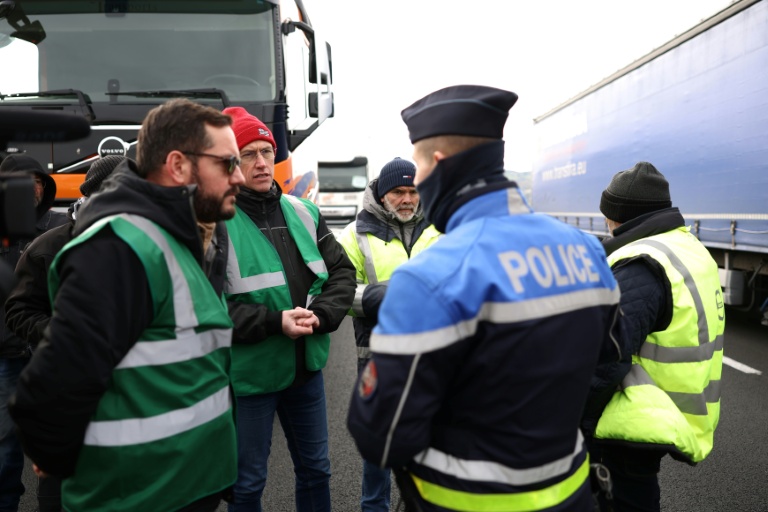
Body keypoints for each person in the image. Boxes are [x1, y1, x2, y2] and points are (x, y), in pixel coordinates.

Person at [346, 85, 621, 512]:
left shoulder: (429, 279)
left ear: (437, 165)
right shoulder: (585, 250)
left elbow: (380, 435)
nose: (414, 185)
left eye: (417, 167)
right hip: (572, 495)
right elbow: (608, 358)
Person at [9, 98, 246, 512]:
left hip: (187, 485)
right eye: (228, 163)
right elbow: (49, 390)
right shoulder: (120, 247)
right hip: (139, 495)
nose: (240, 176)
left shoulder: (181, 237)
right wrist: (72, 468)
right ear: (178, 165)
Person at [221, 106, 355, 512]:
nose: (262, 162)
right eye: (249, 154)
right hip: (250, 377)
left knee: (317, 471)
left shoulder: (304, 211)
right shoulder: (214, 223)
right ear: (231, 162)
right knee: (247, 484)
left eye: (267, 151)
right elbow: (205, 308)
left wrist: (323, 315)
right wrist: (274, 321)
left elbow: (341, 273)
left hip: (305, 370)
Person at [582, 162, 725, 512]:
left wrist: (570, 420)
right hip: (669, 410)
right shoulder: (688, 248)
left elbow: (605, 356)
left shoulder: (641, 263)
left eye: (607, 215)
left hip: (631, 419)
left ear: (618, 216)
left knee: (623, 497)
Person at [3, 154, 124, 512]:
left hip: (123, 385)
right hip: (54, 378)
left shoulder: (149, 245)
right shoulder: (51, 246)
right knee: (40, 470)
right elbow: (19, 309)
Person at [337, 157, 441, 512]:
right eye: (398, 191)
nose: (407, 199)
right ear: (382, 195)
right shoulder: (354, 235)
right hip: (378, 355)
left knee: (434, 446)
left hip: (437, 356)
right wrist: (378, 297)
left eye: (413, 191)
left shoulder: (440, 228)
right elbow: (337, 292)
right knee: (378, 450)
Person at [0, 154, 67, 512]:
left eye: (37, 182)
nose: (32, 189)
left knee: (56, 441)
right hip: (8, 357)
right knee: (6, 447)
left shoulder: (61, 228)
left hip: (51, 357)